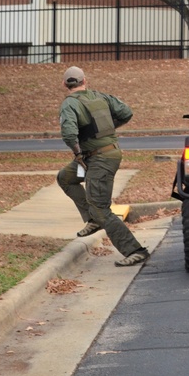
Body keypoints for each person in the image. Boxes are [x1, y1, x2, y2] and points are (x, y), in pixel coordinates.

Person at [56, 66, 150, 267]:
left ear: (64, 84)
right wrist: (104, 130)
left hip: (99, 159)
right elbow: (126, 112)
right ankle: (93, 219)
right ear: (84, 81)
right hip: (104, 154)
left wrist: (77, 154)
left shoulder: (69, 104)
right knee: (65, 177)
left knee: (101, 208)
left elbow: (69, 135)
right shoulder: (101, 97)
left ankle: (135, 250)